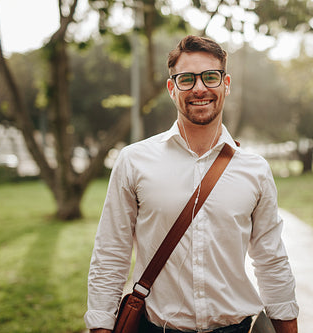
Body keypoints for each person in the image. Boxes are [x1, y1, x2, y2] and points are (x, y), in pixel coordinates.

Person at [85, 35, 298, 333]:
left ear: (226, 83)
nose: (200, 88)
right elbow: (111, 253)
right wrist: (100, 325)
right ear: (172, 88)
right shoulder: (133, 161)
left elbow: (271, 259)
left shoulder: (255, 169)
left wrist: (287, 325)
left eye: (210, 77)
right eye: (187, 79)